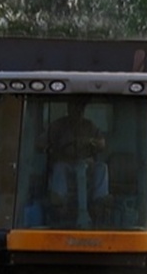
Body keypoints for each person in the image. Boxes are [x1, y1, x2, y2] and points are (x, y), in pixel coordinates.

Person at [47, 97, 109, 227]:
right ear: (69, 109)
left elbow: (102, 143)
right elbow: (42, 141)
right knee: (59, 167)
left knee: (102, 167)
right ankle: (60, 201)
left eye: (80, 109)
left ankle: (99, 200)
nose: (77, 111)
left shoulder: (89, 126)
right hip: (66, 163)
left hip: (87, 165)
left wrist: (92, 142)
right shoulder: (58, 125)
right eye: (74, 108)